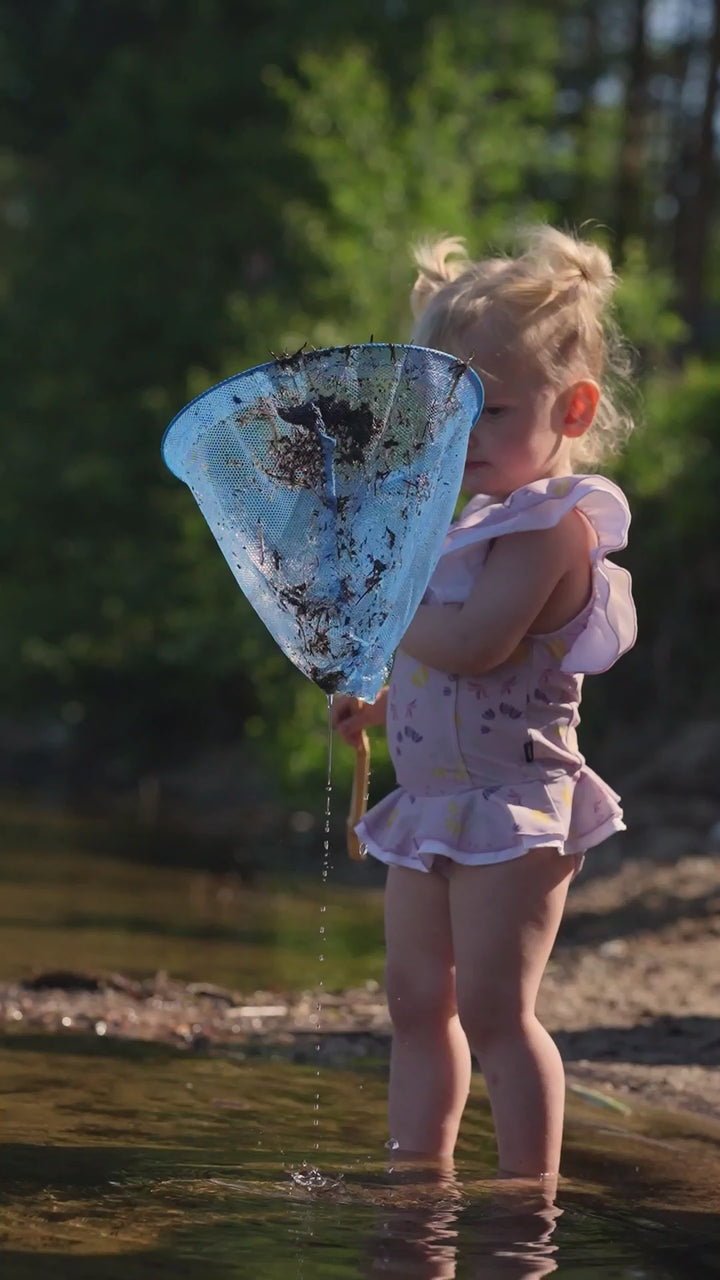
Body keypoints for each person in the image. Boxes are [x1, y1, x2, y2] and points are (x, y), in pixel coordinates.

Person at [332, 225, 637, 1179]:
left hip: (513, 807)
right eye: (441, 418)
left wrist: (373, 599)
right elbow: (442, 671)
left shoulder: (554, 526)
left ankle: (524, 1199)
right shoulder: (459, 529)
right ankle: (416, 1177)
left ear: (573, 408)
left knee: (496, 1011)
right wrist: (379, 705)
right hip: (432, 808)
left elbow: (474, 646)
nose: (459, 441)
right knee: (416, 1001)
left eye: (491, 413)